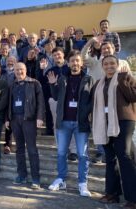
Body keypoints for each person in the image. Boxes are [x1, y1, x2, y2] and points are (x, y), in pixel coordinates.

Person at [47, 50, 93, 197]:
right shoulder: (62, 79)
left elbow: (92, 100)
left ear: (81, 62)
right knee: (61, 153)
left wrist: (87, 114)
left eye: (77, 60)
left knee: (82, 154)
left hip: (81, 122)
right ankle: (61, 179)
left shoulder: (88, 79)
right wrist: (52, 85)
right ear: (68, 63)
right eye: (72, 60)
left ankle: (82, 183)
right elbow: (55, 97)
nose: (75, 63)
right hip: (64, 122)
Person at [92, 55, 136, 208]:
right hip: (104, 123)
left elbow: (133, 96)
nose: (109, 66)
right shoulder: (99, 83)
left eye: (112, 63)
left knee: (124, 156)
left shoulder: (126, 77)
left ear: (117, 64)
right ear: (102, 66)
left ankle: (133, 198)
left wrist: (123, 79)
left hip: (124, 121)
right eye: (106, 64)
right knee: (110, 158)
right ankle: (112, 194)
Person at [6, 62, 45, 189]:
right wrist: (7, 119)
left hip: (29, 119)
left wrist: (39, 117)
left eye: (21, 70)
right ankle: (21, 176)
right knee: (19, 149)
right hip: (15, 120)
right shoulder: (12, 85)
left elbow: (41, 102)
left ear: (26, 70)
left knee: (32, 150)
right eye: (17, 70)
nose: (19, 72)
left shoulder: (34, 83)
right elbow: (8, 103)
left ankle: (35, 178)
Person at [0, 56, 17, 154]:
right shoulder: (1, 72)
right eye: (8, 61)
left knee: (9, 123)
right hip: (2, 99)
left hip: (14, 100)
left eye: (12, 61)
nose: (10, 62)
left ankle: (8, 144)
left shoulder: (17, 72)